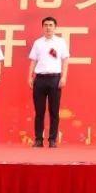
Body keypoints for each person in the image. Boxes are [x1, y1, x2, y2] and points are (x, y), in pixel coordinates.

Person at [27, 16, 69, 147]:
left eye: (51, 25)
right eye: (46, 25)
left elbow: (65, 61)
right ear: (42, 27)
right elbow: (33, 60)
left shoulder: (61, 42)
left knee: (54, 111)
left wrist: (63, 77)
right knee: (39, 112)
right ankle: (38, 139)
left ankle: (52, 140)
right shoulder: (38, 43)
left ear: (55, 27)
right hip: (40, 79)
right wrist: (30, 76)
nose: (48, 27)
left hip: (55, 79)